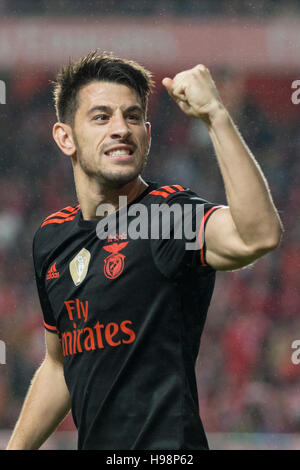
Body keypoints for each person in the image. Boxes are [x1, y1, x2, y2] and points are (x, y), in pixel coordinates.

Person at [7, 50, 283, 450]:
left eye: (132, 116)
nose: (121, 128)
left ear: (147, 135)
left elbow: (257, 236)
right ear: (65, 137)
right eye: (101, 117)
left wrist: (216, 117)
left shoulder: (167, 214)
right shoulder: (50, 239)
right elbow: (59, 364)